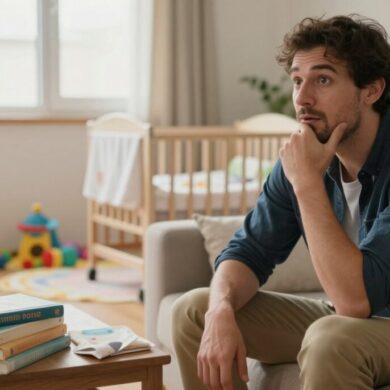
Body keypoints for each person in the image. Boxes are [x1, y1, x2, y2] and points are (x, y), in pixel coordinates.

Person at [171, 14, 390, 390]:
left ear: (371, 90)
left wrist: (306, 183)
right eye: (297, 81)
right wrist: (221, 307)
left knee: (331, 340)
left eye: (323, 79)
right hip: (348, 320)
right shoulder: (303, 158)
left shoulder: (303, 168)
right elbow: (248, 251)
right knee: (195, 310)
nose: (302, 99)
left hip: (368, 319)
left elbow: (357, 301)